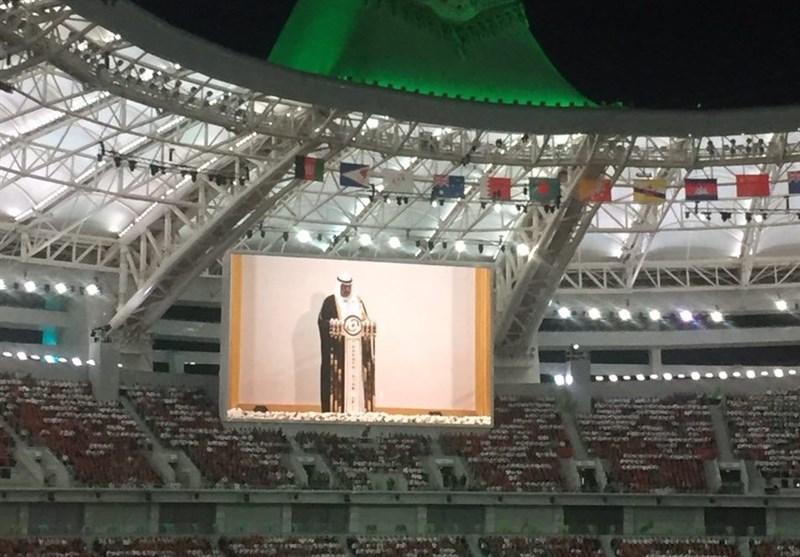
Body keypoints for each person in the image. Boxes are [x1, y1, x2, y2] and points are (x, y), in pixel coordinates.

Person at [317, 274, 375, 413]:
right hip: (337, 353)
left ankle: (358, 410)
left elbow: (365, 324)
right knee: (335, 383)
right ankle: (332, 412)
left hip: (355, 353)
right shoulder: (330, 302)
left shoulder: (358, 302)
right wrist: (339, 328)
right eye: (344, 286)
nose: (347, 290)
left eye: (349, 287)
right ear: (339, 286)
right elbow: (323, 323)